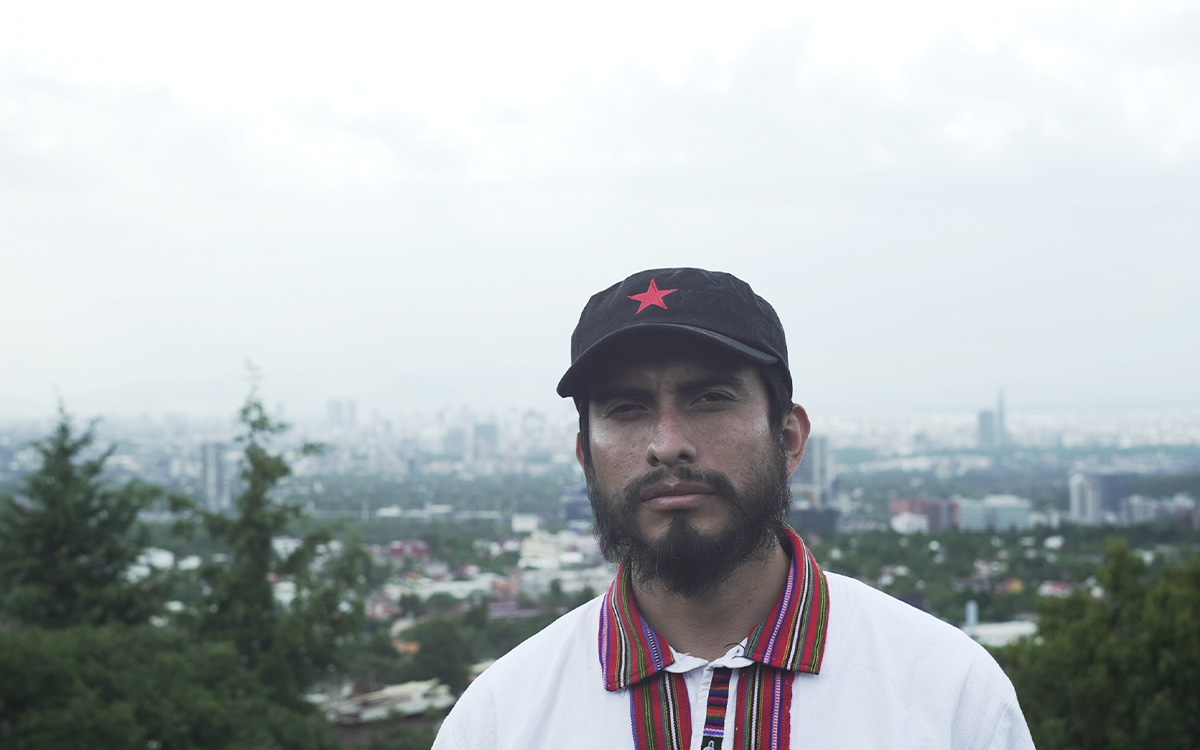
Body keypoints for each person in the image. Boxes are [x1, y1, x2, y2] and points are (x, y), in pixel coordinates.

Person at [433, 267, 1034, 750]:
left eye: (711, 398)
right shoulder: (498, 720)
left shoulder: (949, 692)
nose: (668, 443)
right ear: (585, 455)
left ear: (790, 439)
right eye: (626, 408)